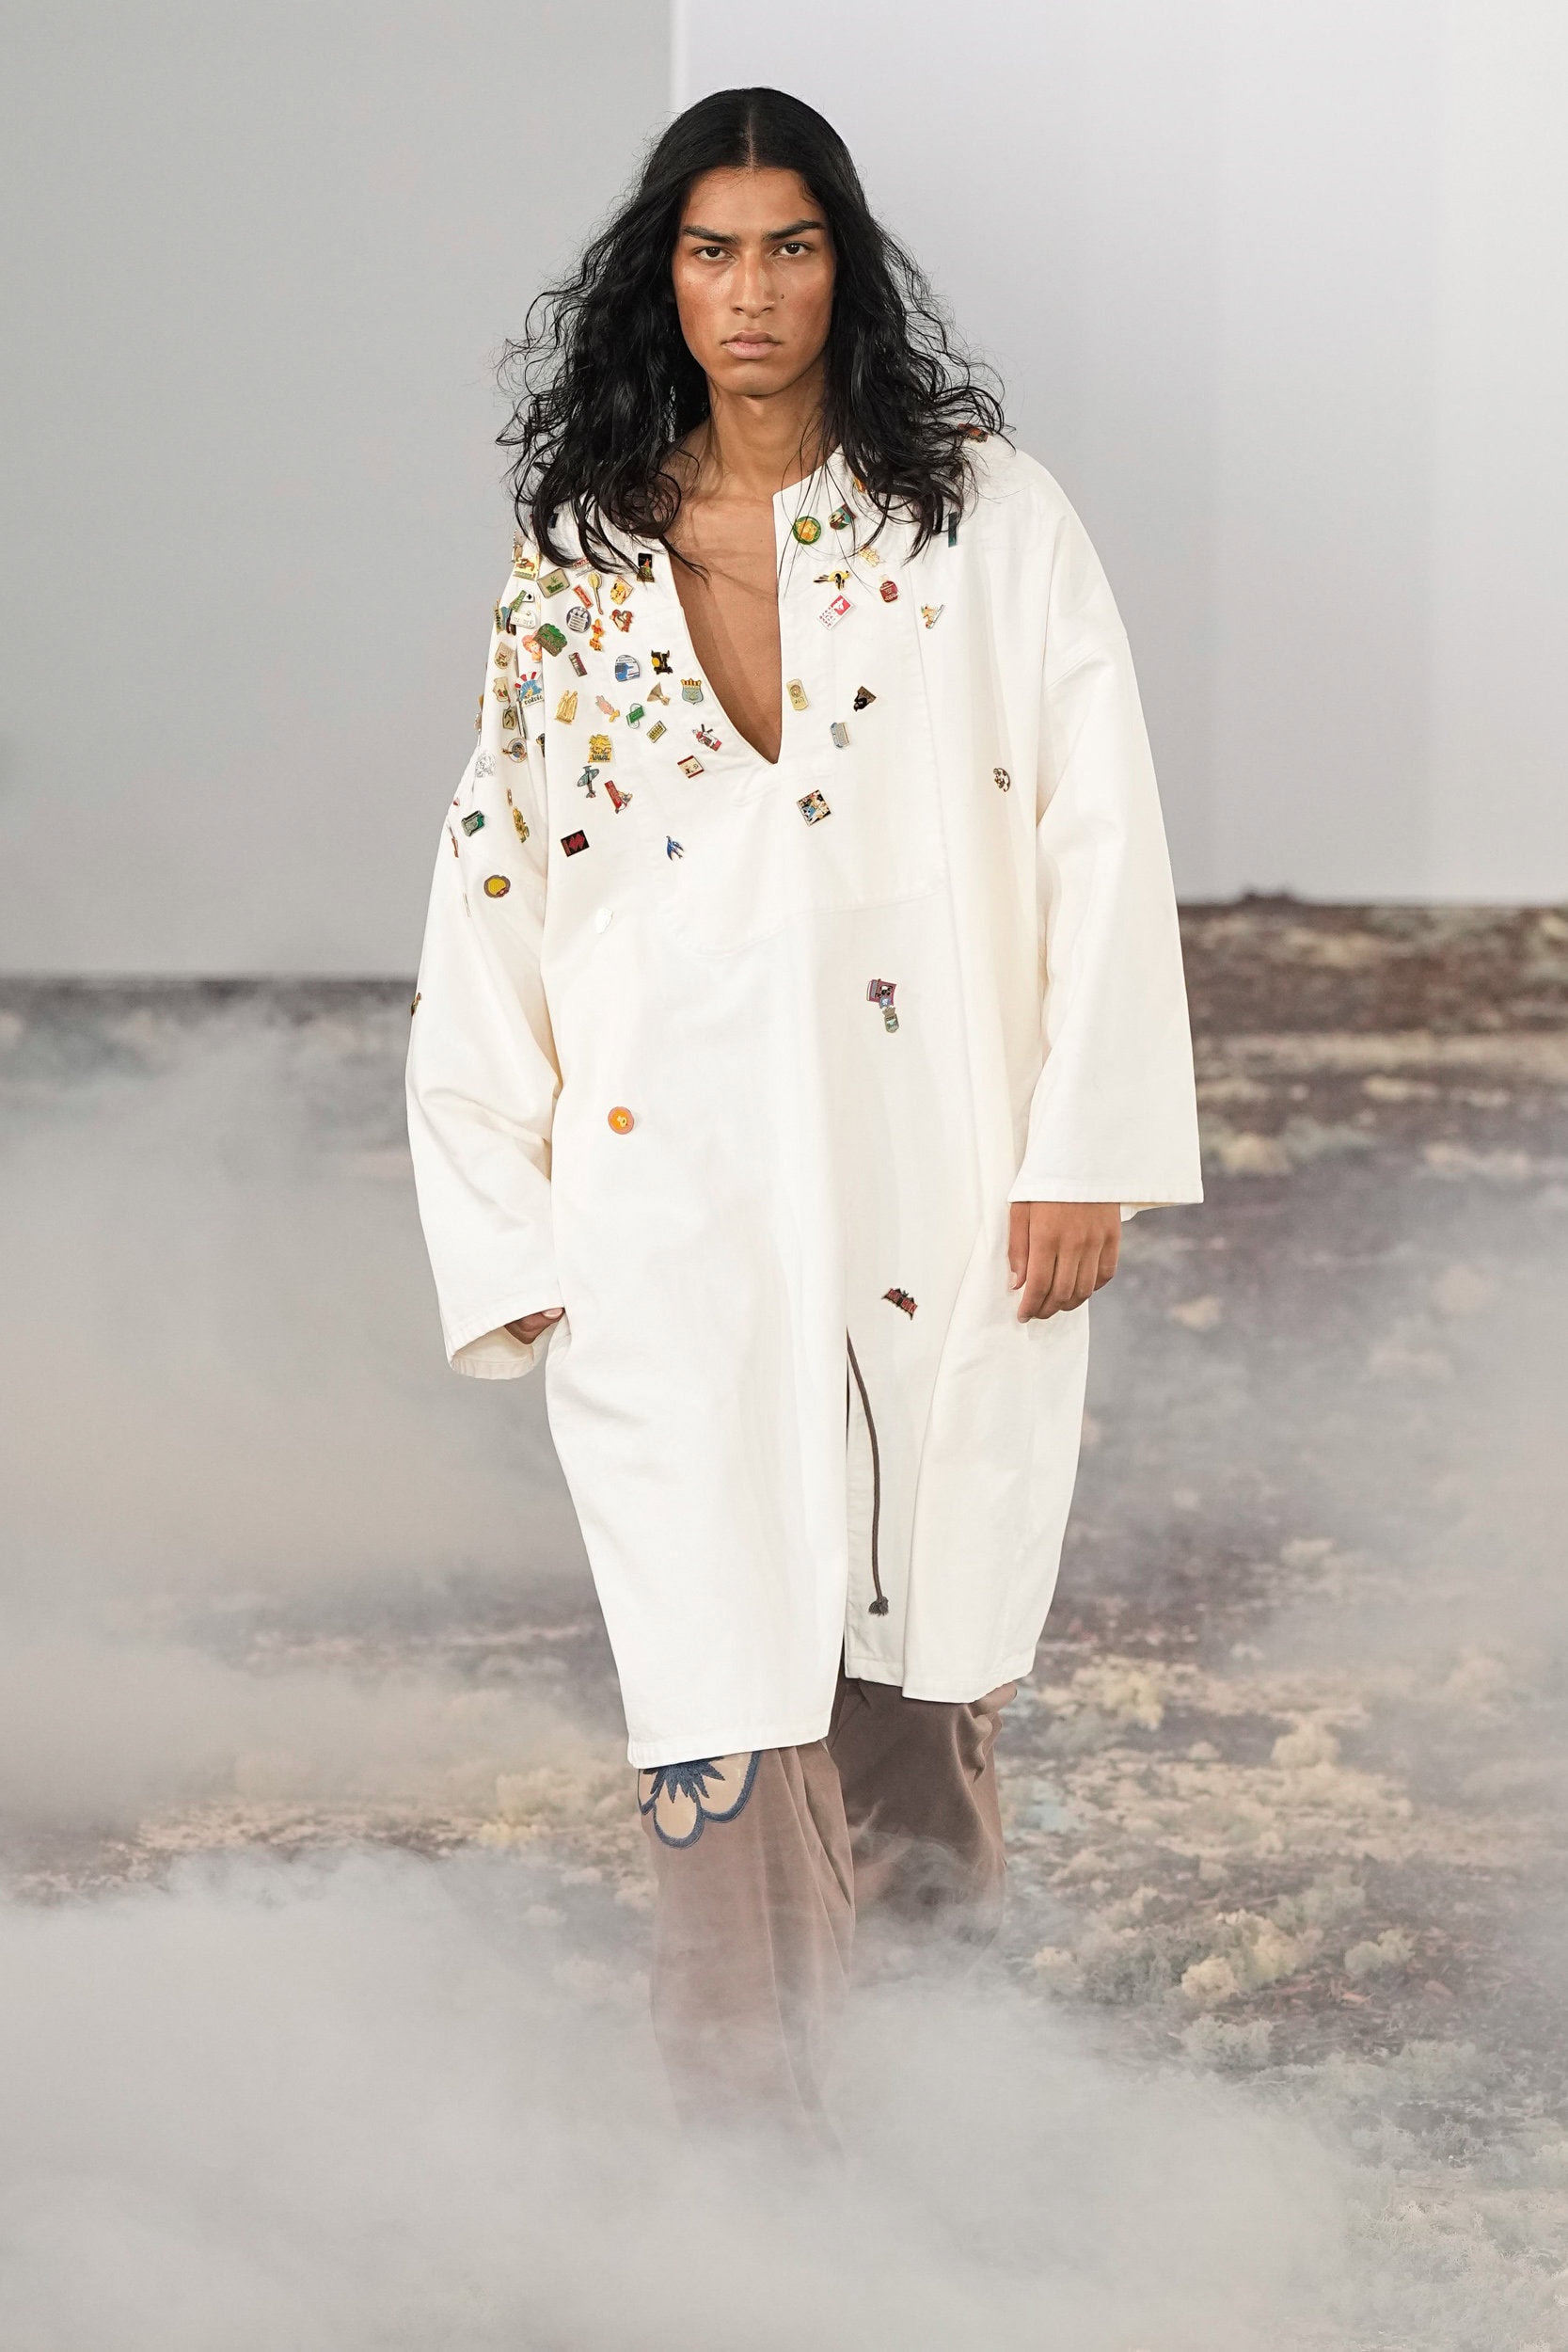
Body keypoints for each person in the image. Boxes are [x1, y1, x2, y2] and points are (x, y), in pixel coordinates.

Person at [406, 87, 1202, 2142]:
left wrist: (1086, 1146)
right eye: (710, 251)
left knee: (920, 1642)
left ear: (844, 268)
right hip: (665, 1181)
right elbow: (496, 879)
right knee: (713, 1648)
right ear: (659, 282)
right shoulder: (580, 562)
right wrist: (499, 1212)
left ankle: (943, 2121)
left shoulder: (983, 522)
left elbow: (1104, 829)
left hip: (936, 1154)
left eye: (788, 246)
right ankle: (747, 2162)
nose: (749, 292)